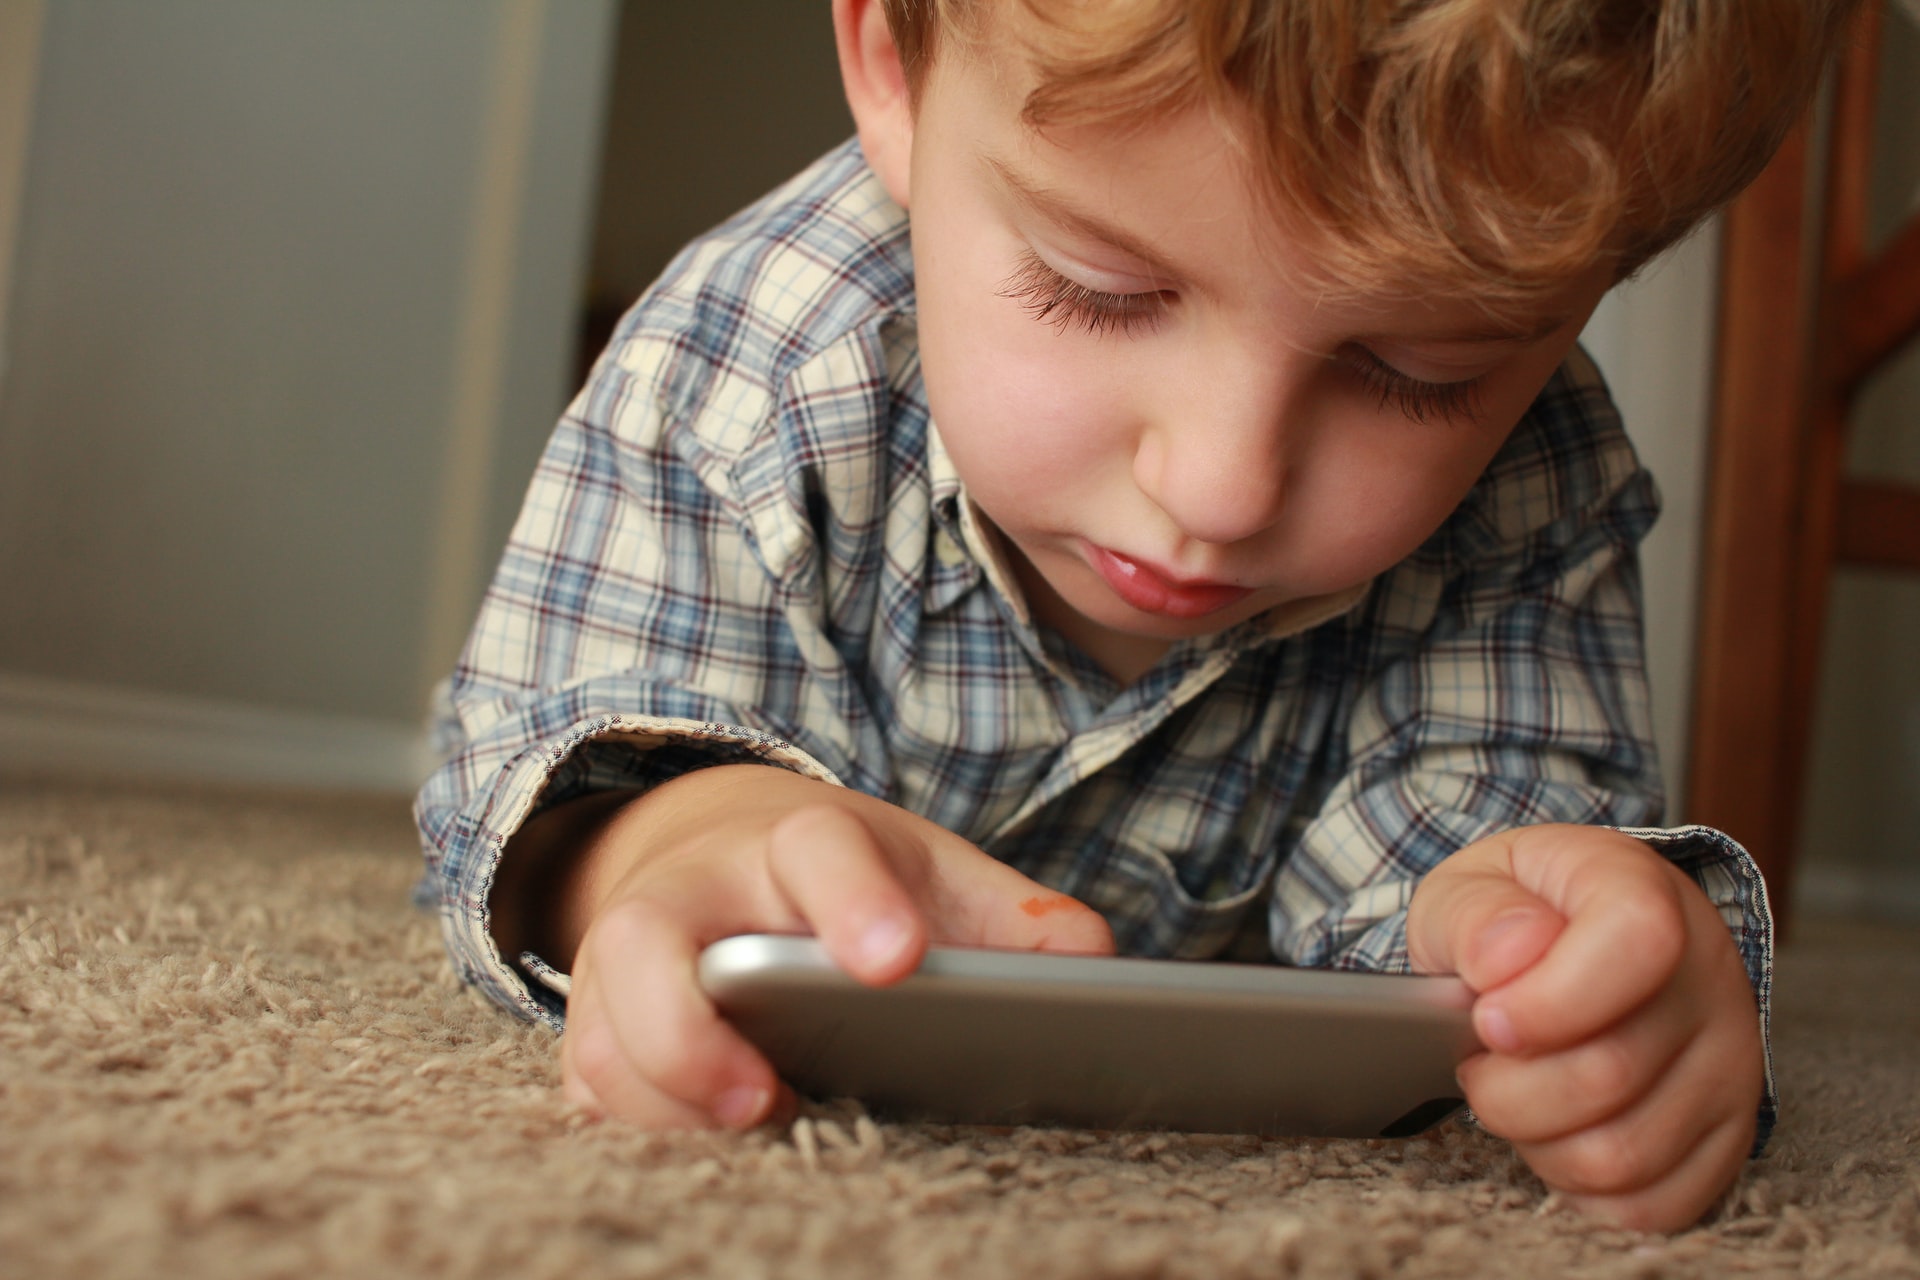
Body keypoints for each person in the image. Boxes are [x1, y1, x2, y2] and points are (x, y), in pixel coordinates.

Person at [415, 0, 1858, 1232]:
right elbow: (543, 757)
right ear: (895, 73)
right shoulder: (751, 364)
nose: (1223, 486)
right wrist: (666, 839)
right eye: (1104, 292)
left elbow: (1475, 830)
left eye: (1418, 372)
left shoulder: (1533, 468)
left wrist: (1553, 957)